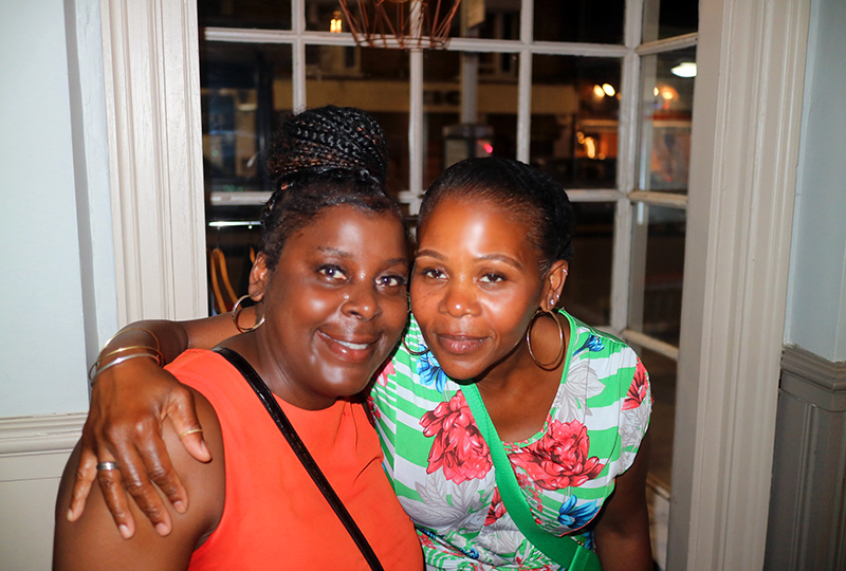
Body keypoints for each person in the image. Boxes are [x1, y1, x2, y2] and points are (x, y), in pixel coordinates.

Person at [68, 157, 653, 571]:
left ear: (550, 285)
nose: (455, 305)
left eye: (493, 276)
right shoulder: (395, 347)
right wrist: (125, 359)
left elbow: (625, 533)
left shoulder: (611, 380)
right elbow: (221, 330)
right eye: (432, 271)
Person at [53, 105, 424, 571]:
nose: (367, 305)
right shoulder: (168, 432)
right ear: (262, 275)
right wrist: (123, 360)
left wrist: (127, 351)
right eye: (331, 271)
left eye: (389, 279)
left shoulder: (385, 392)